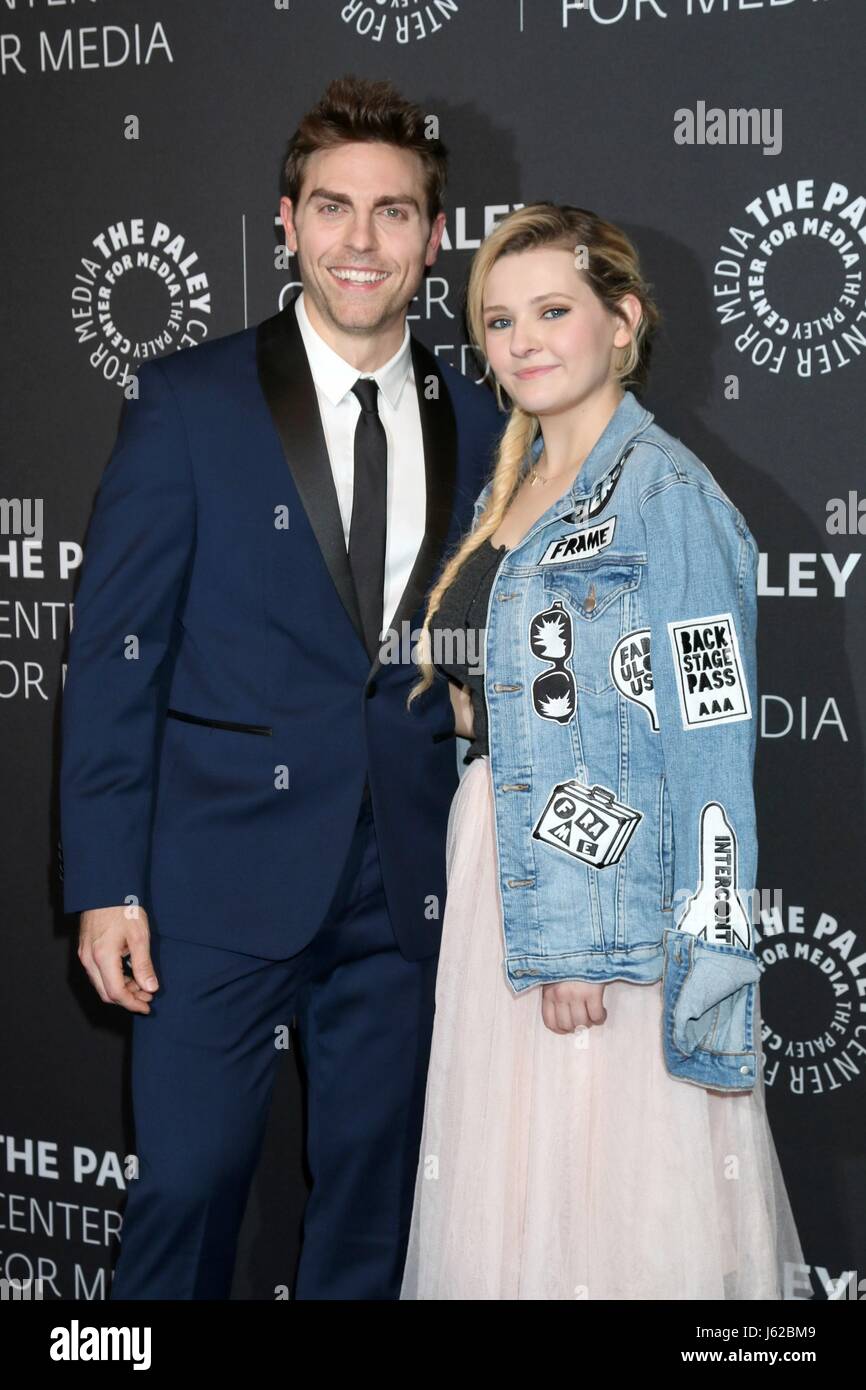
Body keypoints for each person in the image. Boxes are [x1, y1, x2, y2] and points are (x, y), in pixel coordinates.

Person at [59, 75, 502, 1300]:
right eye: (333, 207)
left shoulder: (477, 412)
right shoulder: (189, 401)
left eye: (394, 212)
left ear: (430, 235)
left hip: (404, 880)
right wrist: (104, 882)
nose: (361, 240)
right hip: (214, 873)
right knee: (188, 1187)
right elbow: (116, 654)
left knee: (371, 1209)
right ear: (286, 222)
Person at [400, 203, 805, 1300]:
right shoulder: (510, 484)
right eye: (497, 319)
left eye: (551, 311)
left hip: (599, 921)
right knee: (512, 1222)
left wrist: (593, 934)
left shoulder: (664, 495)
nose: (521, 339)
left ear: (620, 323)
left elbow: (708, 745)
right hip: (503, 874)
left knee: (599, 1227)